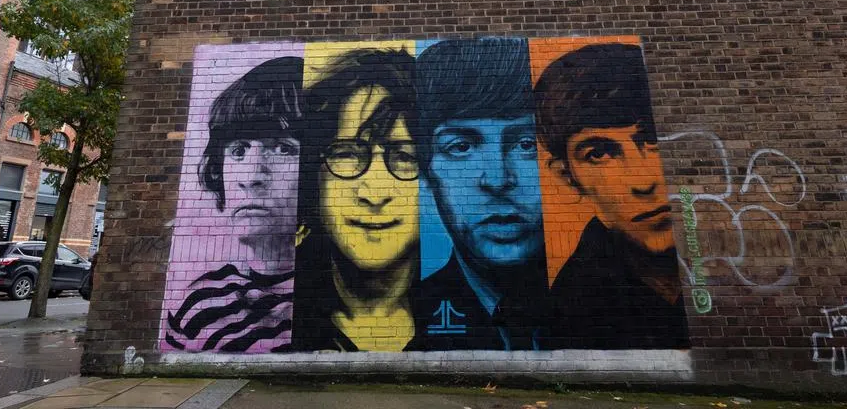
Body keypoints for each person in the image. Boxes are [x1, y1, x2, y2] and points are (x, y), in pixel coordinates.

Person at [534, 42, 689, 349]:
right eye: (600, 153)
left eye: (652, 138)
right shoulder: (572, 307)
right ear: (568, 177)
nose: (643, 181)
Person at [414, 37, 548, 351]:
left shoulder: (615, 305)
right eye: (460, 147)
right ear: (425, 172)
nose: (498, 180)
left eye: (526, 144)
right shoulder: (410, 320)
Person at [163, 55, 304, 353]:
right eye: (238, 150)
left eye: (283, 148)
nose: (251, 177)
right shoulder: (198, 305)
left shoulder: (343, 306)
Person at [291, 48, 421, 352]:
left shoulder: (476, 314)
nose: (374, 193)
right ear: (315, 176)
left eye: (404, 156)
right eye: (347, 153)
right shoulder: (270, 309)